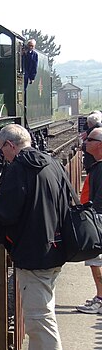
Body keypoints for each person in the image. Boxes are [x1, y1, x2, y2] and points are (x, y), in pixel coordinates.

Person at [0, 123, 70, 349]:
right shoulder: (51, 163)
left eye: (1, 149)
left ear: (10, 145)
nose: (2, 155)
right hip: (56, 248)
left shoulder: (20, 167)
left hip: (34, 254)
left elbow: (7, 214)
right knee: (44, 310)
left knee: (39, 319)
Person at [76, 127, 102, 313]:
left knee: (95, 259)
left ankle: (100, 299)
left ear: (100, 145)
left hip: (98, 219)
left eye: (90, 140)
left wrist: (92, 216)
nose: (86, 143)